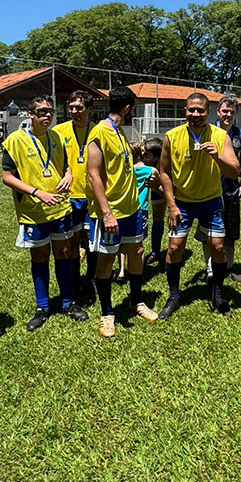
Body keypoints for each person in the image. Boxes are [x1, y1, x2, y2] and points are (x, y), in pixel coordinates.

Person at [2, 95, 88, 332]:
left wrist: (69, 175)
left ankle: (68, 302)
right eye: (42, 111)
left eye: (50, 111)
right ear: (30, 114)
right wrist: (37, 192)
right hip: (34, 211)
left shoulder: (56, 137)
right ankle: (42, 307)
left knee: (64, 253)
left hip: (60, 207)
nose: (47, 115)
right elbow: (7, 177)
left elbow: (67, 165)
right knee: (40, 257)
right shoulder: (15, 141)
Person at [158, 92, 239, 319]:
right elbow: (164, 172)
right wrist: (171, 205)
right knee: (174, 248)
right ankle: (174, 295)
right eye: (191, 110)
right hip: (181, 203)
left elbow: (234, 171)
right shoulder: (171, 136)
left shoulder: (220, 136)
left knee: (218, 248)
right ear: (185, 111)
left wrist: (217, 156)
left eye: (200, 110)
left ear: (208, 112)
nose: (195, 114)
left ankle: (218, 294)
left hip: (210, 201)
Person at [87, 87, 157, 337]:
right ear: (128, 108)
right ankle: (107, 313)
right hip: (111, 211)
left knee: (137, 252)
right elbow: (93, 175)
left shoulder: (119, 131)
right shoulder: (99, 132)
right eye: (134, 109)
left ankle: (135, 301)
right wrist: (106, 213)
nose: (133, 113)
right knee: (107, 259)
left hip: (132, 208)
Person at [195, 96, 241, 284]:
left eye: (232, 112)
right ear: (218, 112)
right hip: (208, 191)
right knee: (208, 232)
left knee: (230, 232)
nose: (228, 115)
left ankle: (228, 267)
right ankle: (210, 269)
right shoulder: (206, 132)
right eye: (225, 111)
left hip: (231, 191)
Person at [53, 90, 98, 297]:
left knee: (91, 240)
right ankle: (74, 280)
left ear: (89, 109)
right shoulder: (58, 132)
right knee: (71, 241)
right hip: (69, 197)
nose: (74, 111)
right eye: (71, 107)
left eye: (79, 107)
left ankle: (92, 279)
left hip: (92, 196)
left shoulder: (98, 131)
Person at [116, 140, 161, 279]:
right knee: (137, 243)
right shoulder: (151, 171)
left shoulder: (123, 170)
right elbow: (161, 185)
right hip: (141, 209)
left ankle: (121, 271)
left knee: (121, 242)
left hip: (123, 208)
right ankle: (137, 270)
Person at [143, 136, 165, 266]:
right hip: (156, 187)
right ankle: (155, 251)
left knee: (161, 218)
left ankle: (163, 252)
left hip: (173, 189)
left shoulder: (165, 167)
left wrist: (157, 186)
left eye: (147, 155)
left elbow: (171, 196)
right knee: (157, 218)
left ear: (156, 158)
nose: (143, 156)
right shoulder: (144, 162)